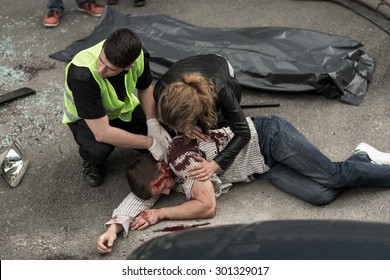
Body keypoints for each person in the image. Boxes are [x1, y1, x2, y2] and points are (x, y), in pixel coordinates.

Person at [96, 115, 390, 254]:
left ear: (161, 174)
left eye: (163, 190)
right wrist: (114, 228)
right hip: (263, 167)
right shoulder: (161, 173)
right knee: (321, 194)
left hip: (268, 136)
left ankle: (372, 166)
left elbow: (207, 207)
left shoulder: (181, 159)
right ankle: (361, 157)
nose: (167, 195)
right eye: (162, 197)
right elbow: (142, 198)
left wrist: (162, 214)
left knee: (333, 176)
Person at [62, 27, 170, 187]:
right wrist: (149, 142)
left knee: (163, 132)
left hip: (120, 110)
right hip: (86, 120)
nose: (101, 69)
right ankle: (91, 161)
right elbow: (102, 133)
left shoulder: (139, 56)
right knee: (99, 149)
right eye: (101, 60)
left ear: (128, 67)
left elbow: (145, 87)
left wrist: (152, 123)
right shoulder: (82, 75)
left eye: (110, 68)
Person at [153, 54, 251, 182]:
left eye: (183, 125)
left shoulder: (220, 89)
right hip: (187, 64)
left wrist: (215, 164)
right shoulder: (160, 89)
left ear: (195, 113)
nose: (180, 129)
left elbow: (243, 133)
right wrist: (185, 128)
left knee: (220, 125)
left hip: (220, 65)